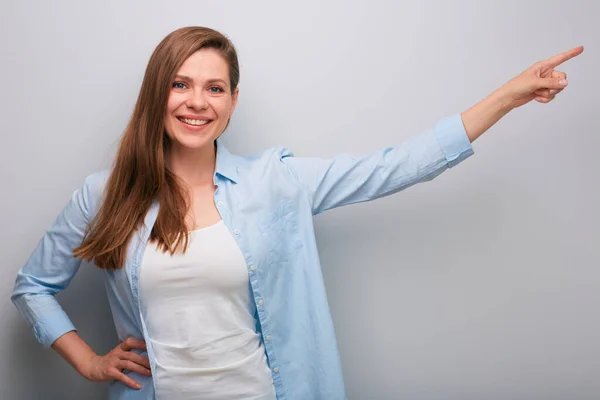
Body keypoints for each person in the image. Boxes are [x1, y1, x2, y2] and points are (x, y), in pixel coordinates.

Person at [11, 26, 583, 400]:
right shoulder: (105, 194)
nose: (196, 101)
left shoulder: (275, 181)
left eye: (214, 88)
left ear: (232, 103)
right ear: (156, 93)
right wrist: (87, 362)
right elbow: (33, 285)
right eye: (180, 84)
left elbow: (398, 165)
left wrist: (508, 96)